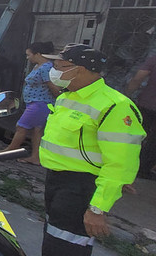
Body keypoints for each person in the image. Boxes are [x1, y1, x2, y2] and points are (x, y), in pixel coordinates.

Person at [39, 43, 145, 255]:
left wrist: (97, 208)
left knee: (66, 246)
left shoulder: (115, 106)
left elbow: (120, 163)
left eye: (59, 66)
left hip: (81, 187)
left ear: (80, 69)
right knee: (53, 240)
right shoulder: (66, 96)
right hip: (56, 181)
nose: (54, 70)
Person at [0, 41, 61, 165]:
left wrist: (60, 101)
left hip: (40, 104)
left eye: (29, 55)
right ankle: (36, 157)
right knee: (37, 131)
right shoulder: (38, 66)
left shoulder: (46, 68)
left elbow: (53, 87)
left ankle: (10, 151)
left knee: (21, 126)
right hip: (33, 103)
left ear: (38, 54)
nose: (28, 58)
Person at [125, 54, 156, 178]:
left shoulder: (154, 58)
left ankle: (128, 164)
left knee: (137, 134)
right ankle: (144, 169)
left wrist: (127, 95)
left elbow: (138, 78)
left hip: (147, 103)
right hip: (147, 103)